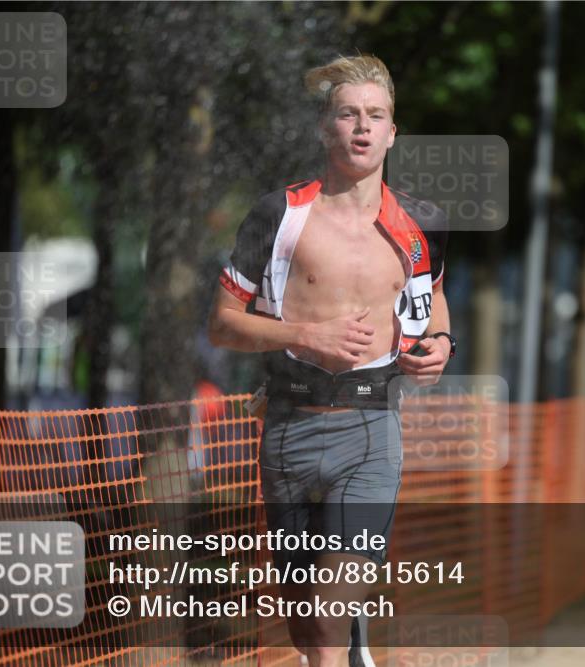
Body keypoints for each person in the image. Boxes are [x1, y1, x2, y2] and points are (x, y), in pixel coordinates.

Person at [208, 54, 454, 667]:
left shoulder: (421, 223)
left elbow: (435, 302)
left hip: (371, 430)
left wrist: (443, 346)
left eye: (376, 116)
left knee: (325, 612)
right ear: (325, 128)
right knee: (307, 629)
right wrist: (305, 335)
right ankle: (351, 646)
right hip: (288, 428)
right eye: (348, 114)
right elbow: (222, 325)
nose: (362, 127)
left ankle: (349, 633)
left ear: (393, 132)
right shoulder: (278, 216)